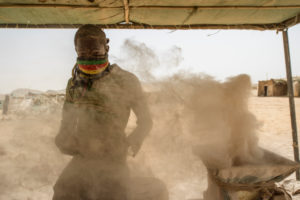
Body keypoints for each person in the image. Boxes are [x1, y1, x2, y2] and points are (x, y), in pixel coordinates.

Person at [53, 24, 168, 200]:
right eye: (82, 55)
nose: (89, 59)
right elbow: (66, 123)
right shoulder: (74, 84)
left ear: (106, 48)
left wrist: (130, 144)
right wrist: (63, 139)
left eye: (95, 54)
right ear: (76, 51)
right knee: (62, 191)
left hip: (113, 158)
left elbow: (146, 121)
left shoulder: (126, 80)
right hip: (83, 157)